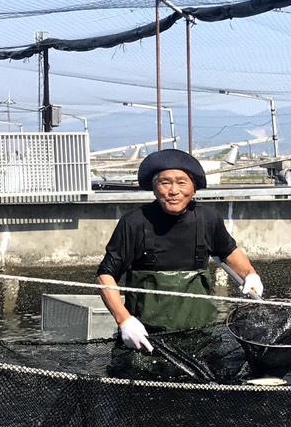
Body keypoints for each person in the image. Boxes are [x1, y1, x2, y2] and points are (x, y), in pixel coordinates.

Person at [96, 148, 262, 357]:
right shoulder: (134, 223)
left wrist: (250, 274)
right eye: (165, 182)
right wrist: (124, 320)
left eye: (182, 182)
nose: (173, 191)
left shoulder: (207, 219)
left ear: (194, 188)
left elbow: (229, 251)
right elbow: (106, 274)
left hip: (200, 339)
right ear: (154, 188)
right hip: (146, 340)